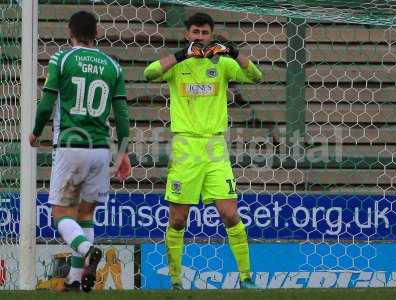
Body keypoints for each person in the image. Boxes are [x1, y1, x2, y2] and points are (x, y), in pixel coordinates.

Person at [144, 12, 262, 289]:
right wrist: (180, 55)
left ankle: (246, 278)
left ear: (211, 35)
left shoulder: (222, 65)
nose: (199, 37)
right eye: (195, 32)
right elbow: (149, 73)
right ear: (187, 34)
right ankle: (175, 281)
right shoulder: (178, 65)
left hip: (215, 147)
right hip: (186, 146)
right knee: (178, 218)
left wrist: (233, 51)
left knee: (230, 213)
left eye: (204, 33)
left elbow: (255, 76)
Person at [29, 10, 131, 292]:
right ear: (97, 34)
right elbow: (122, 114)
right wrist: (122, 152)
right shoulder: (113, 66)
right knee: (85, 214)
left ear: (69, 32)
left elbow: (47, 104)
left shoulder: (61, 59)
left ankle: (87, 250)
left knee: (61, 215)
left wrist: (36, 132)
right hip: (101, 150)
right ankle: (75, 280)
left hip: (71, 146)